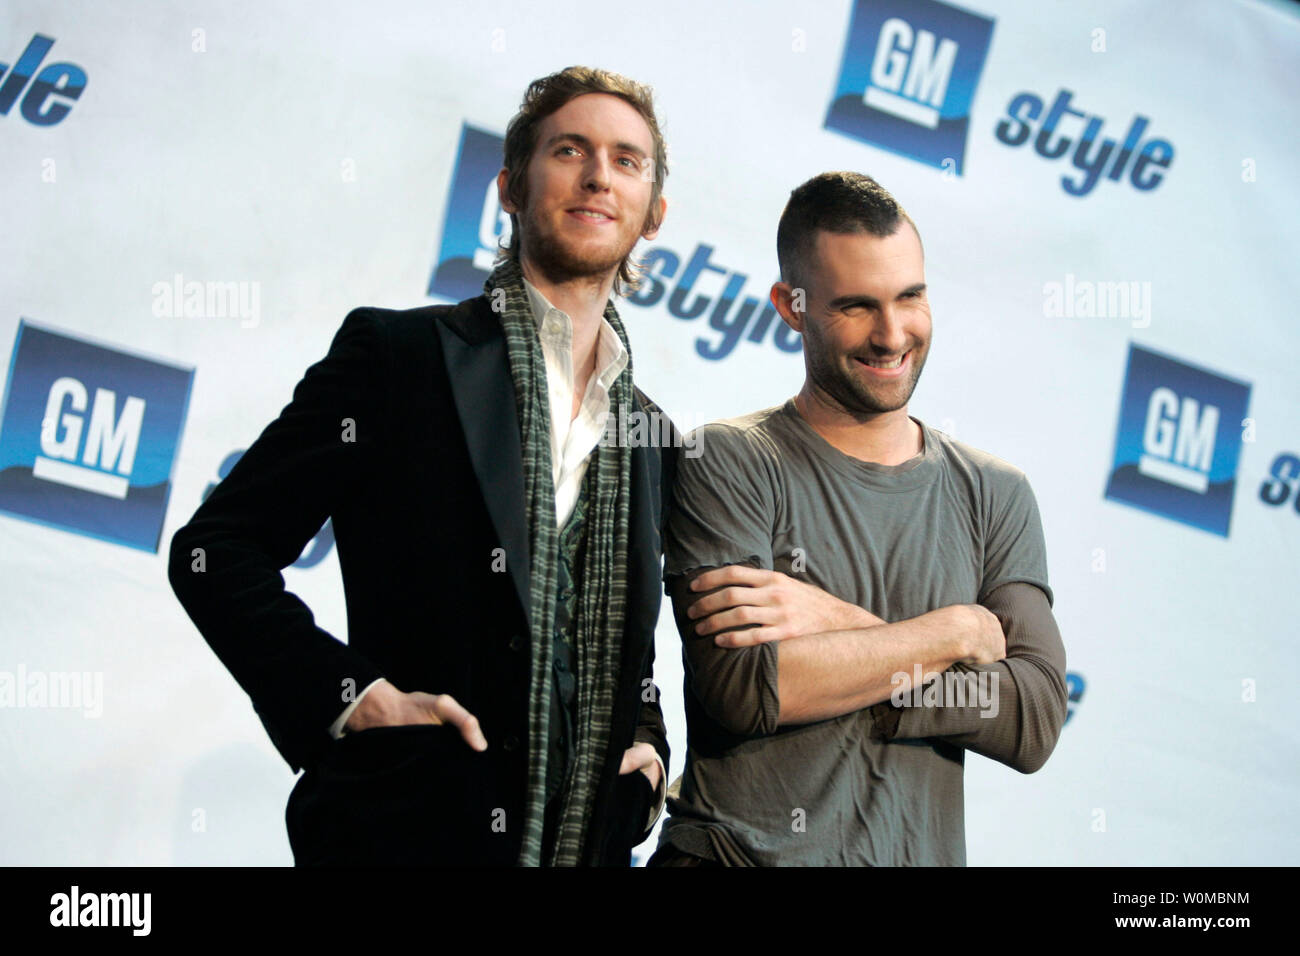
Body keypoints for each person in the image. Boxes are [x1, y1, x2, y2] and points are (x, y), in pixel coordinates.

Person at [168, 66, 677, 867]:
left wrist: (646, 753)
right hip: (406, 835)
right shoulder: (398, 358)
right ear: (510, 186)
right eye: (570, 150)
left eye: (627, 160)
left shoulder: (651, 433)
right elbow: (215, 552)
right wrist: (350, 697)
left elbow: (626, 648)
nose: (597, 176)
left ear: (654, 213)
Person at [647, 171, 1068, 866]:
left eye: (911, 297)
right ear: (791, 306)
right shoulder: (729, 460)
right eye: (856, 307)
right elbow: (747, 690)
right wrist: (956, 631)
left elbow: (1032, 718)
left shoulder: (996, 494)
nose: (892, 334)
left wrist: (837, 630)